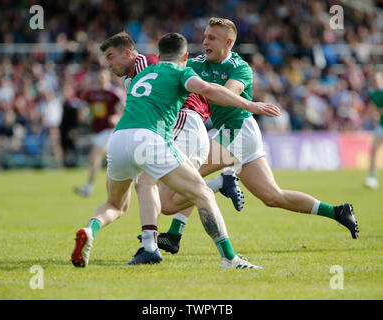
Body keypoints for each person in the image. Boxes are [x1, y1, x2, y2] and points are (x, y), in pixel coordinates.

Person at [71, 32, 280, 269]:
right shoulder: (173, 71)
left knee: (123, 200)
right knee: (193, 194)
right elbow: (207, 89)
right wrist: (250, 104)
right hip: (154, 134)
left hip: (129, 135)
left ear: (155, 56)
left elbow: (189, 93)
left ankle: (106, 233)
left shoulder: (143, 70)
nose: (108, 64)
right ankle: (228, 256)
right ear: (185, 57)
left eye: (111, 57)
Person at [154, 18, 359, 254]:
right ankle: (338, 211)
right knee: (272, 196)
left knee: (189, 177)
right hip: (233, 132)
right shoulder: (199, 63)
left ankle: (176, 233)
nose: (205, 41)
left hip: (237, 130)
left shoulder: (240, 68)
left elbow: (227, 94)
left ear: (228, 42)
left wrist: (202, 89)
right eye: (205, 36)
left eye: (212, 38)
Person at [74, 69, 124, 197]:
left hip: (109, 130)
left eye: (103, 76)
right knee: (111, 161)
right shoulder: (91, 92)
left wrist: (117, 117)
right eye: (99, 76)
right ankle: (120, 186)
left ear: (108, 78)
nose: (101, 78)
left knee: (94, 156)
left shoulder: (113, 92)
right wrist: (83, 113)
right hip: (96, 130)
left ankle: (88, 188)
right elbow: (84, 105)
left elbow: (125, 107)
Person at [364, 70, 383, 190]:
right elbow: (373, 108)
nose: (376, 81)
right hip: (381, 126)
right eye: (374, 80)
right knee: (373, 149)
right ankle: (373, 177)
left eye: (378, 79)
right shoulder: (373, 94)